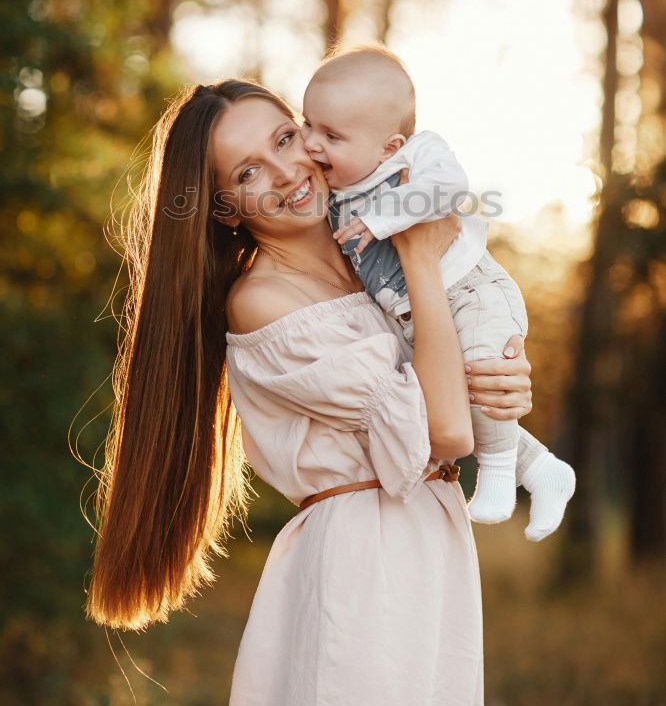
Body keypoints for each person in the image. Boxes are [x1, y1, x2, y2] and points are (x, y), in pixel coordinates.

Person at [85, 80, 533, 706]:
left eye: (286, 138)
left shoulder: (370, 258)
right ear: (224, 209)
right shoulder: (264, 303)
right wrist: (423, 261)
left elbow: (454, 385)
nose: (287, 171)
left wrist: (501, 381)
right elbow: (447, 433)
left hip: (430, 549)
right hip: (363, 560)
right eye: (248, 171)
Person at [301, 45, 575, 539]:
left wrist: (381, 219)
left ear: (390, 146)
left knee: (484, 373)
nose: (312, 144)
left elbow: (450, 186)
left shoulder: (419, 153)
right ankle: (542, 471)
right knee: (464, 394)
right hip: (421, 313)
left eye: (331, 135)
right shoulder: (333, 188)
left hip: (473, 291)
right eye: (307, 125)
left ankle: (495, 475)